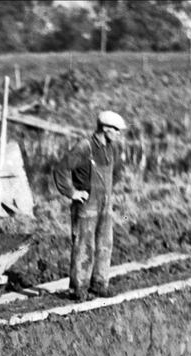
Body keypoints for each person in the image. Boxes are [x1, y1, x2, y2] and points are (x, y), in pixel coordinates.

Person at [51, 110, 127, 301]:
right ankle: (79, 287)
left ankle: (99, 284)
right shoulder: (85, 147)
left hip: (105, 204)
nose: (118, 134)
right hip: (86, 204)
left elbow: (117, 172)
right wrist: (72, 193)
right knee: (84, 244)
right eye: (116, 130)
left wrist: (107, 192)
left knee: (105, 244)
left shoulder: (112, 148)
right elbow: (61, 169)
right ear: (106, 128)